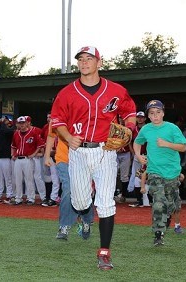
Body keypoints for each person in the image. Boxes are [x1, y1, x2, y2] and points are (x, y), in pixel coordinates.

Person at [50, 46, 136, 270]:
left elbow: (129, 112)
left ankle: (104, 253)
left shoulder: (115, 90)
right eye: (81, 59)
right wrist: (68, 137)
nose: (84, 62)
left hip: (105, 151)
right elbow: (57, 121)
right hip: (78, 153)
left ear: (99, 62)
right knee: (79, 201)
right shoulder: (67, 93)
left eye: (89, 58)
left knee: (106, 204)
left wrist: (128, 127)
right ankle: (84, 215)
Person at [133, 100, 186, 246]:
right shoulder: (145, 129)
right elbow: (137, 142)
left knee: (171, 205)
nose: (155, 116)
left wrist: (167, 144)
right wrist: (138, 155)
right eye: (151, 113)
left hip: (172, 173)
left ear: (163, 113)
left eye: (158, 112)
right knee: (158, 202)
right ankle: (158, 234)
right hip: (154, 171)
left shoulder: (172, 128)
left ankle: (167, 220)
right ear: (148, 116)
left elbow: (183, 147)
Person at [44, 127, 94, 240]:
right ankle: (64, 226)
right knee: (67, 189)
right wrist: (47, 156)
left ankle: (86, 221)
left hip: (83, 159)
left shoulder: (87, 111)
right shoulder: (59, 114)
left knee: (83, 191)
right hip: (63, 159)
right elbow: (51, 135)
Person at [11, 116, 44, 205]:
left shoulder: (33, 133)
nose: (21, 125)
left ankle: (31, 198)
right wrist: (12, 154)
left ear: (27, 123)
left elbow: (40, 145)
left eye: (23, 123)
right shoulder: (16, 134)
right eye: (20, 123)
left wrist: (34, 154)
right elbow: (13, 146)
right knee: (17, 179)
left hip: (28, 159)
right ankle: (18, 198)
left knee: (29, 179)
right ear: (17, 124)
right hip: (18, 159)